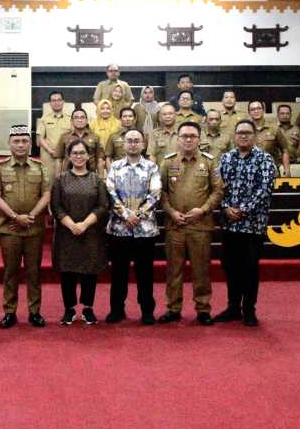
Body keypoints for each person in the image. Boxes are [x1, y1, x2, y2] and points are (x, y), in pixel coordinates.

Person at [158, 121, 224, 326]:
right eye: (184, 136)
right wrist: (171, 212)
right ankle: (173, 308)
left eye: (192, 136)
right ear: (178, 139)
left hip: (200, 226)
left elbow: (218, 191)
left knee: (201, 270)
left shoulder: (209, 162)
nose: (188, 140)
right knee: (173, 270)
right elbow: (160, 192)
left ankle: (203, 309)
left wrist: (202, 210)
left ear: (199, 139)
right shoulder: (167, 162)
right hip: (175, 225)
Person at [215, 120, 277, 327]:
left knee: (250, 268)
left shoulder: (265, 159)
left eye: (248, 133)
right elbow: (217, 187)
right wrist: (225, 207)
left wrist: (242, 209)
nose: (243, 136)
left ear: (255, 136)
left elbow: (265, 189)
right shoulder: (226, 158)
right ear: (234, 135)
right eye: (240, 132)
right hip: (230, 224)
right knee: (230, 266)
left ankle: (249, 309)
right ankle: (233, 307)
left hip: (252, 225)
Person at [0, 125, 52, 328]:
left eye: (24, 141)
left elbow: (46, 195)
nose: (20, 145)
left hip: (33, 229)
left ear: (30, 144)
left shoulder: (40, 167)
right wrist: (15, 217)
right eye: (16, 141)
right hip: (10, 229)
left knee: (34, 272)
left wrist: (30, 217)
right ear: (9, 144)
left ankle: (34, 311)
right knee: (11, 271)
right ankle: (10, 312)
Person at [50, 138, 109, 325]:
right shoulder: (60, 180)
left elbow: (103, 206)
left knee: (89, 271)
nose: (78, 156)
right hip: (66, 233)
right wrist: (71, 225)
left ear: (89, 155)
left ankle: (87, 309)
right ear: (68, 156)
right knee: (67, 271)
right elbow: (56, 206)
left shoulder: (97, 180)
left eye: (82, 153)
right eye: (74, 153)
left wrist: (84, 224)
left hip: (90, 232)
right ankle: (69, 309)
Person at [105, 129, 161, 325]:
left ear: (143, 145)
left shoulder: (152, 167)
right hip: (119, 230)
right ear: (124, 144)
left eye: (137, 141)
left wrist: (137, 215)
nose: (133, 144)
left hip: (145, 230)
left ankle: (147, 311)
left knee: (145, 274)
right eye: (129, 140)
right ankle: (117, 310)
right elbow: (110, 193)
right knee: (118, 273)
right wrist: (126, 215)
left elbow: (155, 194)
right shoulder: (115, 167)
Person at [248, 100, 291, 176]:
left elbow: (285, 150)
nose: (256, 111)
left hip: (271, 171)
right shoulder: (245, 129)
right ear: (249, 112)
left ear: (263, 110)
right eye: (253, 109)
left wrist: (287, 170)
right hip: (250, 172)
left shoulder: (274, 128)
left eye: (258, 108)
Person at [36, 90, 73, 178]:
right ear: (50, 103)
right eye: (54, 100)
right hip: (49, 155)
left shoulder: (70, 119)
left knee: (66, 180)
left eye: (59, 100)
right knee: (48, 180)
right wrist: (50, 151)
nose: (56, 102)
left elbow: (73, 137)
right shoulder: (44, 119)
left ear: (63, 102)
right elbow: (40, 139)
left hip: (65, 155)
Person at [55, 108, 102, 175]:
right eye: (76, 117)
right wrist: (58, 177)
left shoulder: (95, 137)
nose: (79, 120)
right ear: (71, 121)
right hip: (69, 176)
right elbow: (59, 159)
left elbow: (99, 160)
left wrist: (101, 178)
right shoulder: (64, 137)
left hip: (90, 176)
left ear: (87, 120)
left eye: (82, 117)